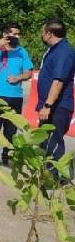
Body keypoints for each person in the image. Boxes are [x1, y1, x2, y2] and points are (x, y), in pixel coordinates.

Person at [0, 23, 33, 165]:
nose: (16, 37)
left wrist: (18, 78)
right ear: (5, 35)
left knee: (11, 129)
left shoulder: (22, 51)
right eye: (14, 34)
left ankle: (7, 157)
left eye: (18, 34)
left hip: (16, 96)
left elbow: (29, 72)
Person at [36, 18, 75, 178]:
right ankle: (47, 174)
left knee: (53, 142)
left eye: (43, 32)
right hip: (51, 106)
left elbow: (58, 81)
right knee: (45, 141)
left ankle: (56, 178)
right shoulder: (55, 50)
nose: (42, 35)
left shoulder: (63, 52)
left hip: (57, 107)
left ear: (49, 33)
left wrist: (47, 105)